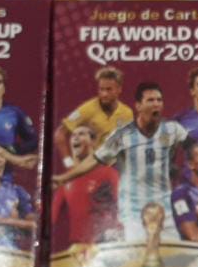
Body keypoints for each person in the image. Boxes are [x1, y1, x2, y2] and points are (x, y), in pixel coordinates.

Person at [54, 82, 189, 243]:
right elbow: (95, 158)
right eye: (150, 100)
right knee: (138, 255)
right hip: (133, 213)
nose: (156, 104)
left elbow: (196, 149)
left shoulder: (173, 129)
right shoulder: (123, 135)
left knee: (171, 254)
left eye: (159, 100)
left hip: (164, 210)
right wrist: (64, 177)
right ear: (138, 106)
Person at [49, 125, 119, 246]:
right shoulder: (65, 181)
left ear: (94, 142)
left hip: (105, 244)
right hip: (78, 247)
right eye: (73, 136)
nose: (75, 137)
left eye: (81, 134)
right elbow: (51, 217)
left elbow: (122, 205)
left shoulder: (109, 173)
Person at [54, 66, 133, 168]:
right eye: (101, 89)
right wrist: (68, 163)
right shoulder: (87, 109)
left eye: (109, 89)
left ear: (119, 89)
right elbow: (60, 133)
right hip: (92, 166)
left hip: (115, 167)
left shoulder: (127, 113)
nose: (104, 94)